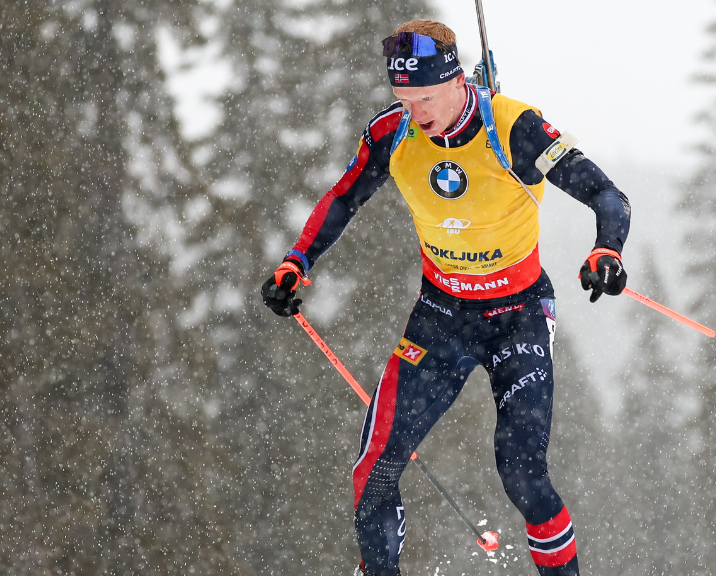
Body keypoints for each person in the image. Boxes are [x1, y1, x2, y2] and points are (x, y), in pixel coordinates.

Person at [261, 19, 630, 576]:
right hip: (441, 317)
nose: (416, 113)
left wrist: (608, 250)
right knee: (375, 467)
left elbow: (605, 193)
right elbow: (342, 198)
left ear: (457, 81)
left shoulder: (514, 127)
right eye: (403, 99)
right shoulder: (393, 133)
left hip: (519, 316)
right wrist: (297, 262)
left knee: (523, 473)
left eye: (426, 98)